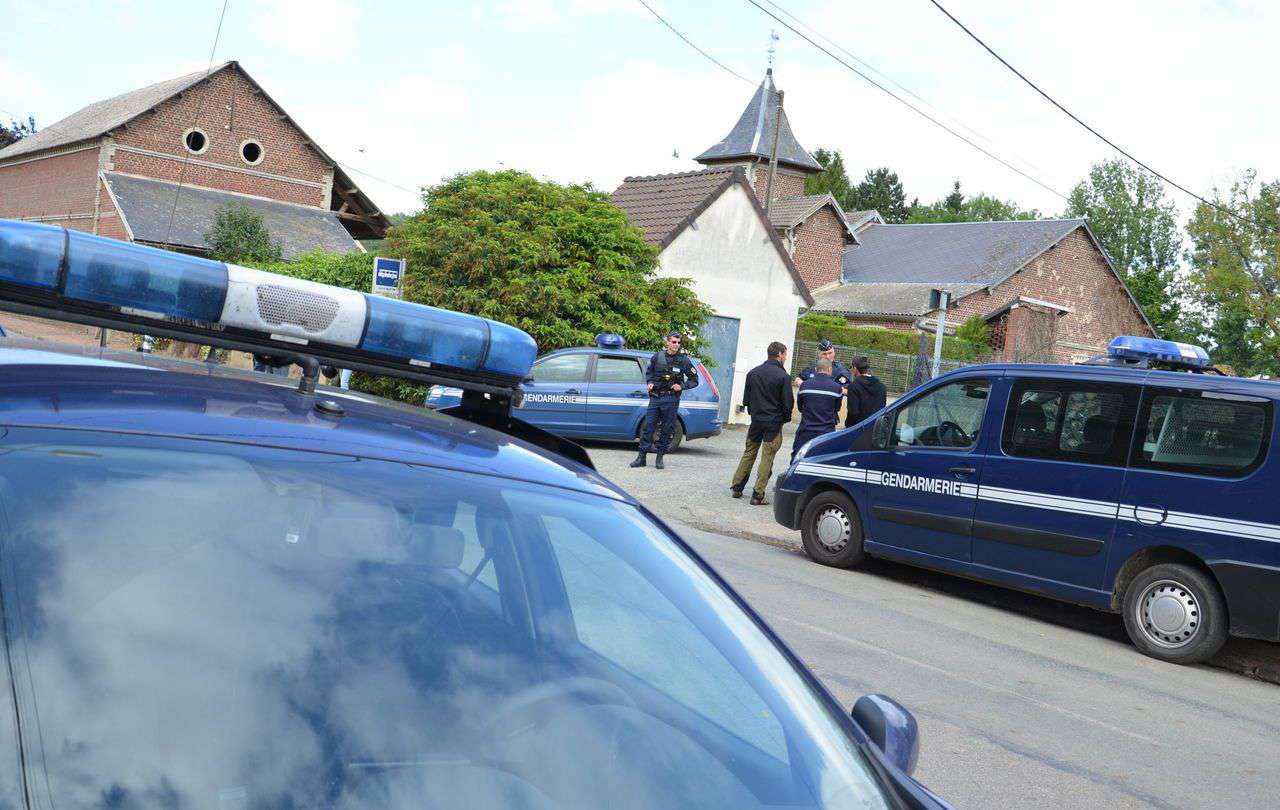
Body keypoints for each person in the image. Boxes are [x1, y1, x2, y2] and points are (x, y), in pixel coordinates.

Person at [731, 342, 794, 505]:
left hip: (756, 422)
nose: (786, 357)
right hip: (773, 424)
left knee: (749, 453)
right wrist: (782, 420)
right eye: (785, 354)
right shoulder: (783, 377)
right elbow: (788, 405)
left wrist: (755, 414)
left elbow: (746, 401)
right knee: (767, 458)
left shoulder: (753, 373)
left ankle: (737, 487)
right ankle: (758, 495)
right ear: (780, 354)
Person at [630, 330, 699, 470]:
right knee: (648, 427)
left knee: (667, 429)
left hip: (671, 399)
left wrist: (682, 386)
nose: (676, 345)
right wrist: (649, 382)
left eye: (679, 343)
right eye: (674, 342)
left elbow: (694, 380)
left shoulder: (684, 361)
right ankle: (641, 457)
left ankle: (660, 457)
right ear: (667, 342)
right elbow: (649, 373)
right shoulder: (657, 357)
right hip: (656, 398)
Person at [792, 358, 843, 463]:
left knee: (798, 460)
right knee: (823, 462)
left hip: (806, 431)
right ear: (830, 369)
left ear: (816, 369)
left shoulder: (804, 385)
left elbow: (800, 407)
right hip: (826, 433)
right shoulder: (837, 388)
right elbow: (836, 408)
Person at [845, 355, 887, 428]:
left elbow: (853, 413)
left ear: (855, 368)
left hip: (857, 429)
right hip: (875, 427)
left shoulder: (853, 386)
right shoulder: (882, 387)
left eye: (851, 367)